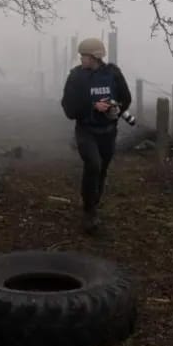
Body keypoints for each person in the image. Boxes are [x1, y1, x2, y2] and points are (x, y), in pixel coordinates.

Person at [60, 37, 132, 234]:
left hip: (108, 131)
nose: (81, 59)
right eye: (81, 56)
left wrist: (114, 107)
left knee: (102, 170)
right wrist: (92, 106)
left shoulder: (113, 74)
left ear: (96, 57)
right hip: (86, 131)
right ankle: (89, 211)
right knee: (93, 165)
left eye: (84, 56)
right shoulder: (76, 77)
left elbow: (126, 98)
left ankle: (94, 202)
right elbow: (68, 108)